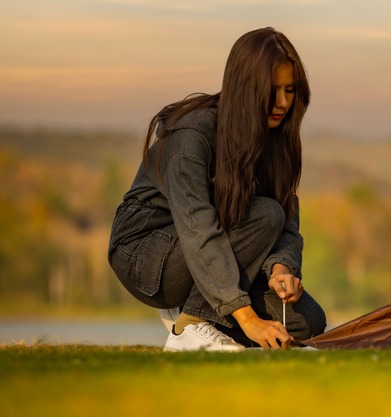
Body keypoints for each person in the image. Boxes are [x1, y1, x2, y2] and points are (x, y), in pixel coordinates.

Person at [107, 27, 326, 351]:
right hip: (148, 253)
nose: (282, 103)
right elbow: (199, 230)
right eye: (272, 90)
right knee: (265, 214)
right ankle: (190, 327)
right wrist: (248, 319)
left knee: (306, 321)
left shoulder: (274, 137)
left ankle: (205, 309)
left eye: (290, 90)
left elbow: (287, 215)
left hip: (216, 246)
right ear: (246, 88)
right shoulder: (191, 136)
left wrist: (282, 267)